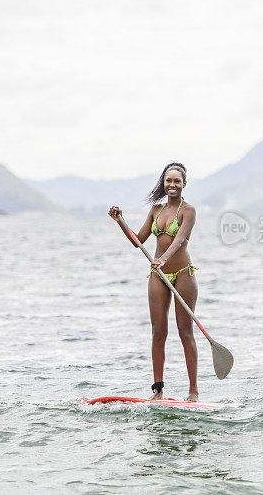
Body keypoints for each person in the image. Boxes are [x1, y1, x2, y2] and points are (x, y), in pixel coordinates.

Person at [108, 162, 199, 401]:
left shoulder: (188, 211)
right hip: (158, 276)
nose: (172, 185)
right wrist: (120, 222)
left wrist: (164, 258)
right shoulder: (155, 210)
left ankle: (193, 392)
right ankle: (157, 391)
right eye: (168, 181)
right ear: (163, 183)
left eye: (177, 181)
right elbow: (137, 240)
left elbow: (179, 240)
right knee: (158, 332)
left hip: (183, 274)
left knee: (185, 331)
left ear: (184, 185)